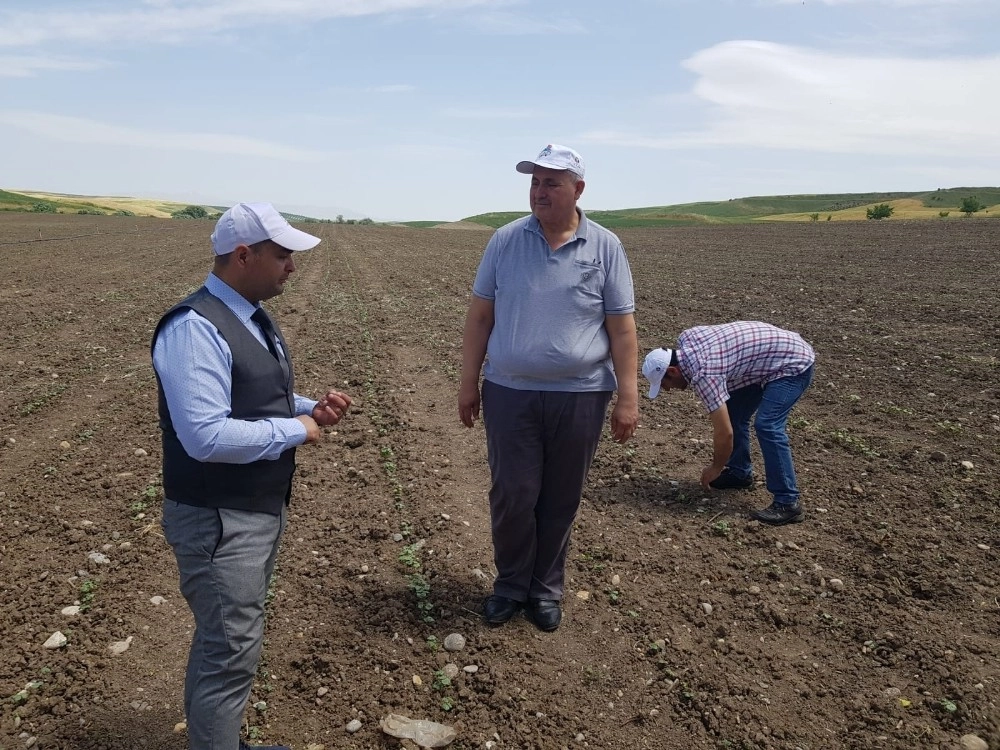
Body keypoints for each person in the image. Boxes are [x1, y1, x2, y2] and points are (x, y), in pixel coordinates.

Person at [151, 202, 353, 750]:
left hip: (251, 511)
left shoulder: (249, 315)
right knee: (230, 649)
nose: (292, 266)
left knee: (226, 642)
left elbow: (253, 394)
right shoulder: (193, 328)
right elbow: (206, 436)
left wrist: (309, 405)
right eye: (283, 254)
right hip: (219, 520)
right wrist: (296, 430)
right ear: (244, 255)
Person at [458, 144, 639, 632]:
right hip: (510, 389)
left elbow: (622, 328)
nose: (539, 191)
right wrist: (467, 382)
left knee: (561, 495)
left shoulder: (606, 247)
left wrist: (628, 396)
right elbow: (480, 316)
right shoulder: (504, 241)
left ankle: (545, 589)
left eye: (551, 182)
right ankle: (511, 585)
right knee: (514, 491)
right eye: (535, 181)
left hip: (581, 394)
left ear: (578, 189)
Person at [642, 321, 815, 526]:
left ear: (672, 371)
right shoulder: (687, 338)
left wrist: (715, 467)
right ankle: (739, 473)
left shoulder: (705, 373)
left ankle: (788, 503)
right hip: (765, 361)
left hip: (792, 362)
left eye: (665, 384)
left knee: (768, 425)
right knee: (734, 412)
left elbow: (725, 433)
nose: (668, 390)